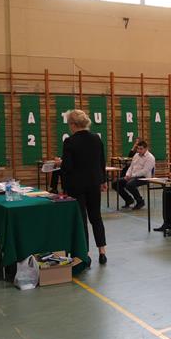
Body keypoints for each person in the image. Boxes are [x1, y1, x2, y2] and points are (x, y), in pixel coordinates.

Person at [61, 110, 109, 264]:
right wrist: (103, 180)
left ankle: (85, 254)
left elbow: (67, 167)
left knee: (82, 220)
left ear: (73, 124)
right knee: (96, 217)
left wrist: (64, 186)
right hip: (94, 183)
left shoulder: (70, 142)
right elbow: (101, 161)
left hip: (77, 185)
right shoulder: (96, 139)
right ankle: (102, 251)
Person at [113, 140, 154, 210]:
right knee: (115, 183)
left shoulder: (150, 157)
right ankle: (128, 200)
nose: (139, 150)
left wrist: (132, 176)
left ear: (146, 149)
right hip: (133, 176)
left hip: (144, 177)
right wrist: (127, 175)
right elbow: (131, 167)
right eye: (138, 149)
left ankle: (140, 201)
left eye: (141, 149)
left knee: (129, 184)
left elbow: (145, 171)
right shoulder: (136, 155)